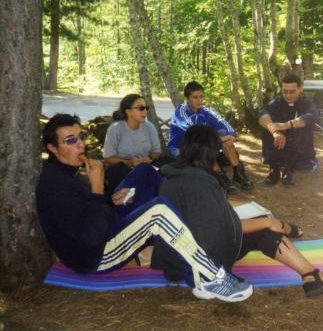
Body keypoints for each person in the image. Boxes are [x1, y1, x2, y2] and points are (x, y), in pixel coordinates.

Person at [36, 113, 253, 302]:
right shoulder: (54, 187)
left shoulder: (67, 172)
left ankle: (181, 227)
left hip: (104, 226)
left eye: (81, 136)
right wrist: (98, 190)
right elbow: (91, 236)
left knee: (145, 172)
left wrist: (110, 199)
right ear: (52, 148)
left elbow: (84, 209)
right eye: (70, 140)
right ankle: (209, 277)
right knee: (159, 212)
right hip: (95, 256)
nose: (80, 145)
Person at [151, 125, 323, 297]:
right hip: (197, 265)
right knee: (265, 228)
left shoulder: (172, 175)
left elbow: (202, 219)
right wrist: (268, 222)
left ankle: (305, 266)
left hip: (174, 259)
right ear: (209, 152)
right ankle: (311, 275)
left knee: (261, 223)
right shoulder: (201, 182)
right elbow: (223, 228)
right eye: (218, 149)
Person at [167, 80, 253, 194]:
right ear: (187, 98)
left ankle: (238, 173)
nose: (199, 100)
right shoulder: (181, 113)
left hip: (199, 144)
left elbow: (221, 122)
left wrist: (231, 135)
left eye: (201, 96)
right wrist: (219, 139)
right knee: (205, 145)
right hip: (180, 148)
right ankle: (219, 175)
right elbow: (195, 135)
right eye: (195, 97)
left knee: (225, 136)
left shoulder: (205, 111)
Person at [258, 73, 319, 186]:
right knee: (267, 128)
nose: (288, 95)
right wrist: (275, 131)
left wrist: (287, 125)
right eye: (285, 91)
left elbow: (310, 116)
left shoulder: (307, 103)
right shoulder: (277, 102)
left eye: (292, 92)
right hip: (280, 147)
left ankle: (288, 170)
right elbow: (262, 115)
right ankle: (274, 169)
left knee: (300, 128)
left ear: (300, 89)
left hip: (301, 153)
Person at [103, 94, 172, 191]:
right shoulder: (115, 128)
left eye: (146, 108)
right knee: (116, 170)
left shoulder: (149, 127)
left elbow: (157, 152)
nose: (145, 111)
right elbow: (108, 158)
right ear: (128, 111)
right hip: (124, 167)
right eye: (141, 108)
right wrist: (129, 163)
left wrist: (149, 158)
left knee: (170, 162)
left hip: (147, 164)